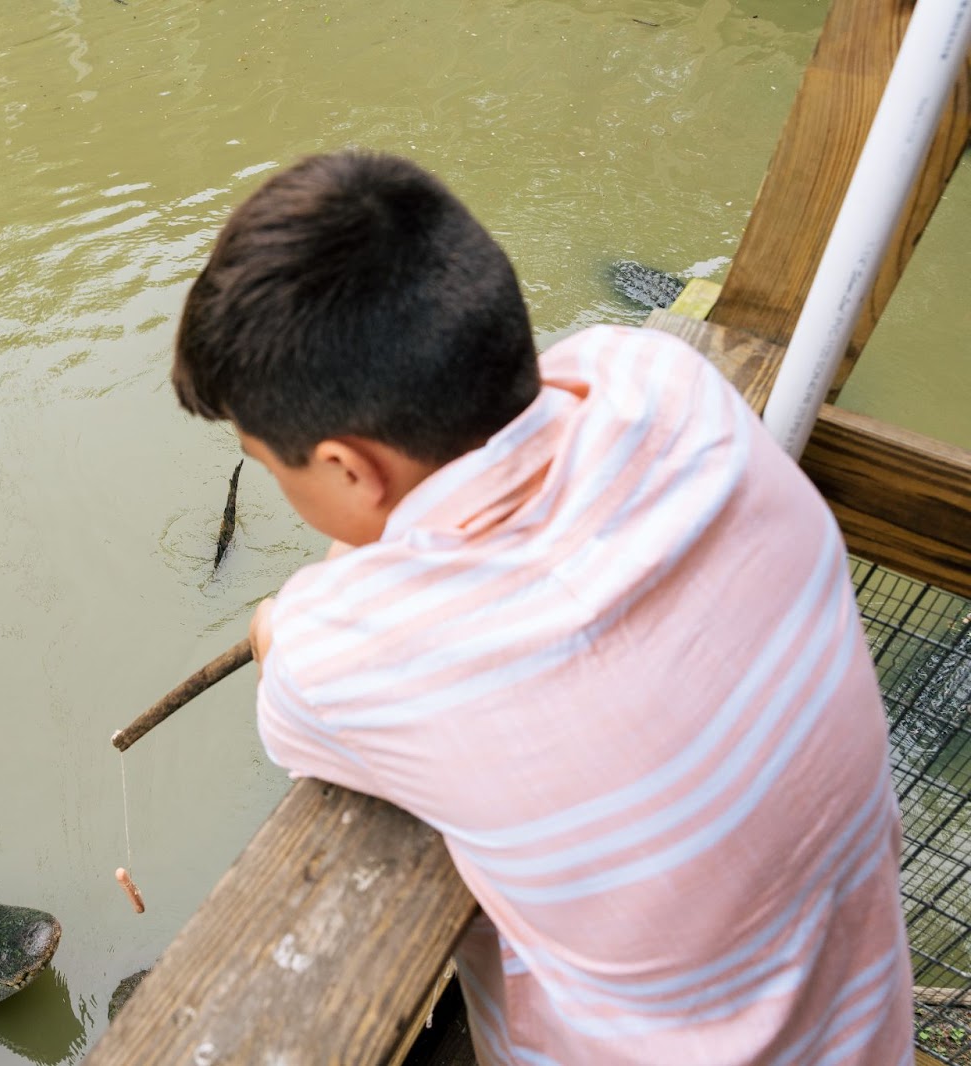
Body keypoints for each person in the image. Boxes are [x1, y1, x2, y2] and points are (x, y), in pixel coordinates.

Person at [171, 150, 912, 1065]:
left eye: (276, 466)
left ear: (349, 469)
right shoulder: (662, 385)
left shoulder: (357, 659)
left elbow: (293, 651)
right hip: (867, 1031)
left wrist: (286, 614)